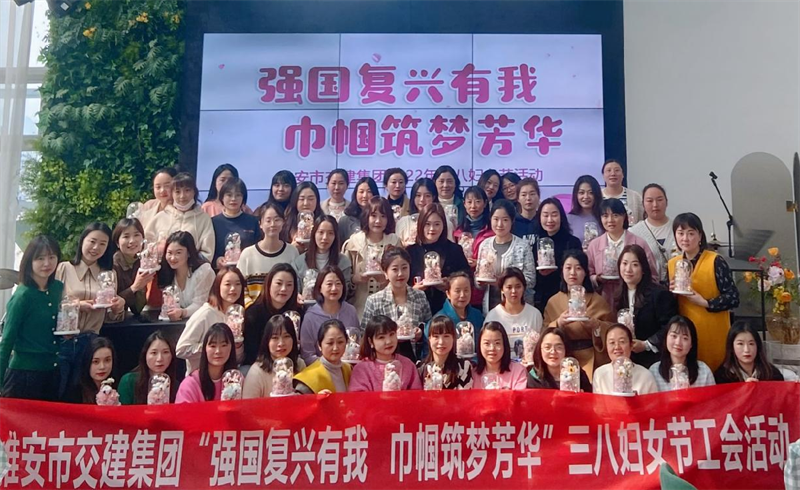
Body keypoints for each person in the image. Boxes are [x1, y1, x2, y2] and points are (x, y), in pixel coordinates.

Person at [56, 223, 125, 399]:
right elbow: (52, 305)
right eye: (92, 241)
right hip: (64, 340)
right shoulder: (64, 268)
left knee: (83, 393)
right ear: (82, 241)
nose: (96, 248)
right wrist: (77, 305)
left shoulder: (109, 274)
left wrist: (117, 308)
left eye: (102, 244)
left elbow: (109, 317)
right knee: (59, 390)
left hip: (90, 342)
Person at [668, 212, 739, 371]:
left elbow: (733, 297)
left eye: (691, 233)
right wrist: (670, 292)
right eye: (680, 233)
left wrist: (706, 302)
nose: (685, 238)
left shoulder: (715, 260)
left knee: (716, 374)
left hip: (713, 331)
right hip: (685, 335)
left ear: (700, 235)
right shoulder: (673, 264)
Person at [0, 236, 63, 400]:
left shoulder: (57, 288)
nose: (47, 263)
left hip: (52, 371)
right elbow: (7, 340)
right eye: (40, 258)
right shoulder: (23, 296)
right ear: (29, 262)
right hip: (24, 375)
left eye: (51, 257)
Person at [544, 250, 614, 379]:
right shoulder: (553, 302)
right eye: (568, 268)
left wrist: (596, 326)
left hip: (591, 357)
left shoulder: (598, 300)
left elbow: (612, 330)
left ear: (585, 272)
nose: (573, 273)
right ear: (562, 271)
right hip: (562, 357)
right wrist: (558, 323)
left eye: (578, 268)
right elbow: (544, 333)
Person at [361, 246, 431, 361]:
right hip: (383, 360)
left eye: (404, 268)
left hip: (414, 358)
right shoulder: (374, 301)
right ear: (385, 273)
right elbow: (365, 334)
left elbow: (429, 326)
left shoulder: (420, 296)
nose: (400, 274)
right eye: (394, 269)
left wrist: (421, 333)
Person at [586, 198, 656, 311]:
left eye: (615, 215)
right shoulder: (594, 245)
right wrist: (596, 279)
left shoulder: (639, 243)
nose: (610, 220)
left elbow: (652, 275)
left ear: (624, 216)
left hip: (635, 300)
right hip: (603, 300)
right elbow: (587, 273)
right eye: (605, 216)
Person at [176, 266, 246, 373]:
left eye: (237, 284)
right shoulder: (205, 314)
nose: (233, 288)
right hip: (200, 375)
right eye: (227, 284)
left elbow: (237, 359)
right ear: (218, 286)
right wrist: (210, 347)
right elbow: (181, 349)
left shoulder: (238, 316)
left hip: (227, 376)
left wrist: (237, 346)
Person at [617, 244, 678, 367]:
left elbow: (670, 327)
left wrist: (646, 344)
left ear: (643, 269)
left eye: (635, 265)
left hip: (654, 360)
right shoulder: (619, 294)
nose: (628, 269)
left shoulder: (659, 294)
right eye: (624, 263)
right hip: (627, 359)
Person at [407, 203, 471, 315]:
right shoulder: (410, 252)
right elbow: (402, 283)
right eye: (427, 224)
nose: (432, 229)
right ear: (420, 225)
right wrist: (413, 290)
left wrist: (450, 283)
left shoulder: (454, 250)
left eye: (437, 224)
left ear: (443, 225)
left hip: (448, 309)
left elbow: (467, 277)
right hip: (417, 308)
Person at [342, 196, 400, 317]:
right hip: (358, 307)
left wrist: (388, 279)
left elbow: (403, 276)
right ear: (366, 217)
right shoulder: (353, 243)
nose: (378, 221)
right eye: (373, 216)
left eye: (383, 216)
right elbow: (342, 278)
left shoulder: (395, 242)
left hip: (388, 308)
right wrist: (354, 279)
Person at [475, 199, 535, 314]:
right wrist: (479, 282)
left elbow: (531, 280)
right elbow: (478, 275)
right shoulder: (484, 245)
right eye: (496, 219)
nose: (500, 224)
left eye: (505, 220)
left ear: (512, 221)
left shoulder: (522, 246)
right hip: (491, 308)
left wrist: (502, 282)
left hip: (518, 309)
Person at [237, 202, 299, 304]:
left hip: (284, 310)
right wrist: (252, 309)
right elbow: (240, 286)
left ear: (283, 222)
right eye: (268, 220)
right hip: (253, 310)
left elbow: (296, 285)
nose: (273, 224)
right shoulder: (247, 254)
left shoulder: (292, 251)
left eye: (277, 220)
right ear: (260, 224)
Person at [145, 172, 215, 261]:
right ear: (172, 193)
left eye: (187, 190)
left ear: (194, 192)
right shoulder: (160, 217)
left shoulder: (204, 219)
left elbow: (207, 253)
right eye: (177, 192)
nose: (182, 196)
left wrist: (188, 264)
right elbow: (146, 245)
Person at [299, 265, 359, 365]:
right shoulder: (310, 317)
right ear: (320, 288)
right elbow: (307, 354)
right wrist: (330, 367)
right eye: (329, 284)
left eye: (338, 284)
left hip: (348, 368)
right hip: (319, 369)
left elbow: (356, 343)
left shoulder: (351, 311)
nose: (334, 288)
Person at [243, 263, 302, 365]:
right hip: (261, 366)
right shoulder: (253, 314)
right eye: (279, 283)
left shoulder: (297, 314)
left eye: (289, 285)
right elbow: (251, 352)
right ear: (269, 284)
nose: (283, 289)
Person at [349, 315, 422, 392]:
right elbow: (358, 397)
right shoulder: (361, 369)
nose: (388, 341)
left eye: (392, 334)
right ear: (371, 341)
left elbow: (417, 394)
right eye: (381, 337)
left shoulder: (408, 364)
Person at [533, 197, 582, 309]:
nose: (550, 220)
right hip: (543, 300)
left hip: (567, 297)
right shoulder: (537, 244)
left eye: (554, 215)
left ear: (561, 217)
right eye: (545, 215)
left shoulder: (572, 242)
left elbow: (579, 271)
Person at [153, 231, 215, 320]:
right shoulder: (168, 273)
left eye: (178, 253)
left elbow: (201, 304)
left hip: (206, 320)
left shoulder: (204, 271)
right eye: (169, 253)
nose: (172, 258)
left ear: (189, 253)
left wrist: (182, 313)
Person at [485, 268, 543, 361]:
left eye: (518, 287)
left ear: (524, 288)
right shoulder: (493, 316)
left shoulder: (534, 314)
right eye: (509, 287)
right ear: (502, 289)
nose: (513, 291)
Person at [243, 314, 306, 398]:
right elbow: (248, 404)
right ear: (267, 341)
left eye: (286, 336)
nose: (281, 343)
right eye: (275, 338)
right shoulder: (257, 372)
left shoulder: (300, 365)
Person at [423, 271, 484, 359]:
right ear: (448, 293)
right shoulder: (438, 319)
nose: (462, 295)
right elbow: (428, 353)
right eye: (457, 291)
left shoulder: (477, 316)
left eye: (466, 290)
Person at [648, 316, 715, 391]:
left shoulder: (704, 371)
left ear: (691, 344)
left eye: (685, 338)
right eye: (674, 336)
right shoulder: (654, 371)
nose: (678, 343)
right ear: (666, 338)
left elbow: (714, 398)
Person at [292, 216, 352, 299]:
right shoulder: (299, 262)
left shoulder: (343, 262)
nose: (325, 237)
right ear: (314, 234)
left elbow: (344, 293)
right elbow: (296, 291)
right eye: (321, 232)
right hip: (306, 306)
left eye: (330, 233)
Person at [175, 323, 238, 403]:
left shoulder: (237, 380)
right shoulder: (191, 384)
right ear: (205, 349)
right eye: (213, 346)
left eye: (224, 345)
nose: (218, 351)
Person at [454, 186, 494, 307]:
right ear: (464, 204)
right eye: (469, 202)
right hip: (462, 288)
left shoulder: (492, 232)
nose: (473, 206)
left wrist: (479, 263)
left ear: (485, 203)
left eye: (477, 201)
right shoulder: (457, 232)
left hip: (485, 289)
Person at [592, 323, 658, 395]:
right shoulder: (600, 374)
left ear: (631, 345)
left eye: (622, 342)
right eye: (612, 342)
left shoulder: (645, 375)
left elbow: (652, 401)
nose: (617, 347)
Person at [629, 183, 676, 284]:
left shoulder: (678, 228)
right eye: (650, 201)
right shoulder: (634, 232)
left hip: (678, 287)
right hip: (647, 288)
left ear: (666, 202)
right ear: (643, 204)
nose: (655, 205)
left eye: (659, 200)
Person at [210, 178, 260, 269]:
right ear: (222, 197)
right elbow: (208, 251)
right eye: (229, 195)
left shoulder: (253, 221)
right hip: (221, 273)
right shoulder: (213, 222)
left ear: (243, 198)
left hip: (247, 271)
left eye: (238, 195)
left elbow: (259, 248)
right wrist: (216, 260)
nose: (233, 199)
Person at [118, 331, 178, 404]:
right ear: (145, 355)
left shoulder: (175, 385)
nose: (159, 359)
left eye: (165, 352)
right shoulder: (128, 381)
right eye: (154, 353)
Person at [714, 321, 784, 383]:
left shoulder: (771, 373)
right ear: (731, 346)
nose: (746, 350)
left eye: (751, 344)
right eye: (740, 344)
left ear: (757, 345)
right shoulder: (722, 376)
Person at [294, 319, 352, 394]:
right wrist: (315, 400)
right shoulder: (308, 377)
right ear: (319, 345)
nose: (335, 348)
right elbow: (297, 400)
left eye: (340, 342)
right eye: (330, 343)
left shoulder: (349, 370)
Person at [526, 326, 592, 392]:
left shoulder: (577, 374)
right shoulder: (534, 376)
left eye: (559, 347)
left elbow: (589, 396)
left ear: (566, 349)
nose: (553, 352)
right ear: (540, 349)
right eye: (547, 347)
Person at [417, 316, 473, 390]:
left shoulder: (463, 367)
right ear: (429, 339)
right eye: (436, 336)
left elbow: (465, 395)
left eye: (446, 336)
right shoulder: (420, 368)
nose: (441, 342)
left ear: (453, 338)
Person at [112, 218, 154, 315]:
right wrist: (135, 287)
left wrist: (142, 288)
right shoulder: (112, 266)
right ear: (117, 243)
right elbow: (112, 305)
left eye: (136, 235)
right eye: (126, 236)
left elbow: (137, 309)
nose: (132, 241)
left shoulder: (142, 262)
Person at [471, 321, 527, 390]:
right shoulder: (473, 375)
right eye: (487, 343)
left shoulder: (518, 371)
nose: (492, 348)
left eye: (497, 343)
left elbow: (520, 396)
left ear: (504, 344)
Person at [282, 181, 324, 254]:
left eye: (311, 199)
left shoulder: (324, 223)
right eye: (301, 199)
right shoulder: (285, 224)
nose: (306, 203)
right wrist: (291, 249)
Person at [396, 177, 441, 244]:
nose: (422, 199)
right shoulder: (403, 222)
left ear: (433, 197)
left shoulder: (443, 221)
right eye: (418, 195)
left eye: (427, 196)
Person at [73, 336, 116, 404]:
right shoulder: (76, 393)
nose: (102, 367)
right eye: (96, 362)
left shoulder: (119, 387)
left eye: (107, 360)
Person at [601, 159, 644, 225]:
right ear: (603, 175)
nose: (613, 174)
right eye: (609, 170)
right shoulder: (597, 196)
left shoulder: (635, 197)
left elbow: (642, 221)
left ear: (623, 174)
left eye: (617, 170)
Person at [338, 177, 379, 244]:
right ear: (355, 194)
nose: (365, 196)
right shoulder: (345, 221)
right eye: (361, 192)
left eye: (369, 192)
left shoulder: (380, 217)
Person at [566, 175, 603, 246]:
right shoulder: (568, 219)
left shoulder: (604, 217)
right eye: (581, 193)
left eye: (591, 193)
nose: (586, 197)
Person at [433, 165, 465, 229]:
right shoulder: (430, 204)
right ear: (434, 183)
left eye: (449, 181)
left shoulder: (464, 204)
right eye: (441, 181)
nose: (445, 185)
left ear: (455, 183)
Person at [512, 177, 540, 246]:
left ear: (538, 196)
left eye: (532, 194)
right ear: (518, 198)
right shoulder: (512, 222)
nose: (528, 198)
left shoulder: (543, 221)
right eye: (524, 195)